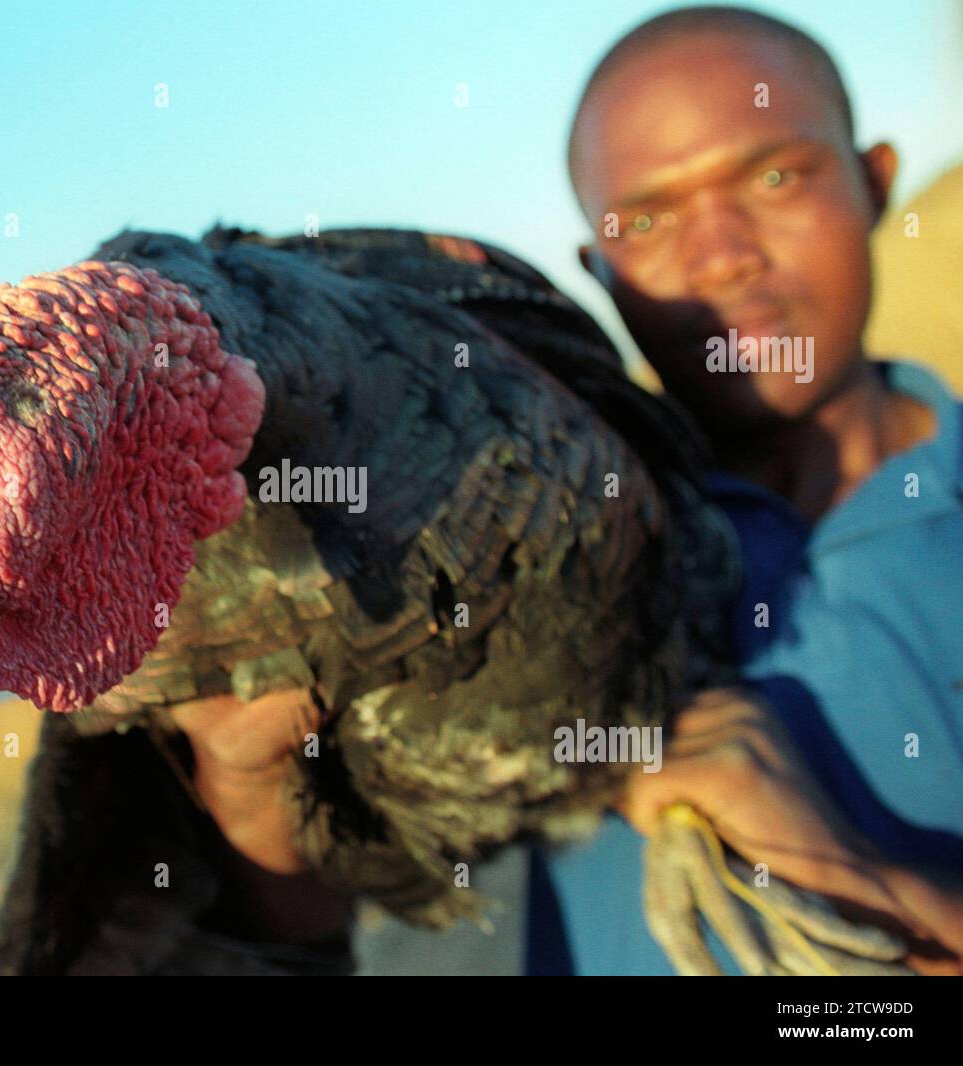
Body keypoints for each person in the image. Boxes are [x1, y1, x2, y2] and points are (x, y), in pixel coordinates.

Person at [173, 5, 963, 975]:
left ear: (875, 181)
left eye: (773, 175)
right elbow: (321, 925)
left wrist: (856, 875)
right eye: (650, 217)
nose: (721, 255)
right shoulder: (481, 547)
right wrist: (251, 784)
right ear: (599, 271)